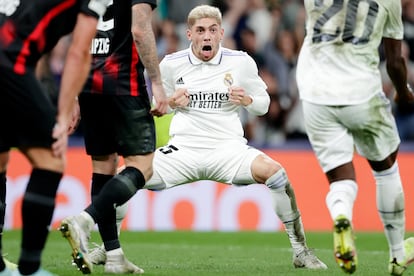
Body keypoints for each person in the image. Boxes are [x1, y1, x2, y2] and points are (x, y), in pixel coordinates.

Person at [60, 4, 327, 274]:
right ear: (189, 34)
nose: (206, 36)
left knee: (278, 175)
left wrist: (247, 100)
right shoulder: (171, 64)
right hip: (182, 151)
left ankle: (301, 250)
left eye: (212, 30)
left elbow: (264, 105)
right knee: (125, 177)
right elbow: (153, 104)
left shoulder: (241, 61)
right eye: (200, 30)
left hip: (229, 151)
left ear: (222, 33)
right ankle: (108, 248)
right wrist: (172, 102)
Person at [296, 0, 414, 275]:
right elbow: (395, 61)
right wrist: (404, 92)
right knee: (386, 169)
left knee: (340, 177)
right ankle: (397, 255)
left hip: (315, 95)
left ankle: (341, 216)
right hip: (361, 93)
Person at [58, 0, 169, 274]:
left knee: (103, 168)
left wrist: (73, 92)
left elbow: (78, 34)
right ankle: (84, 220)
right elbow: (140, 29)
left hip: (88, 84)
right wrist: (156, 81)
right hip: (123, 85)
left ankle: (114, 256)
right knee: (142, 167)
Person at [0, 0, 110, 275]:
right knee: (51, 159)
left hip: (12, 57)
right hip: (10, 62)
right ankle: (30, 267)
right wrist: (61, 117)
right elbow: (79, 52)